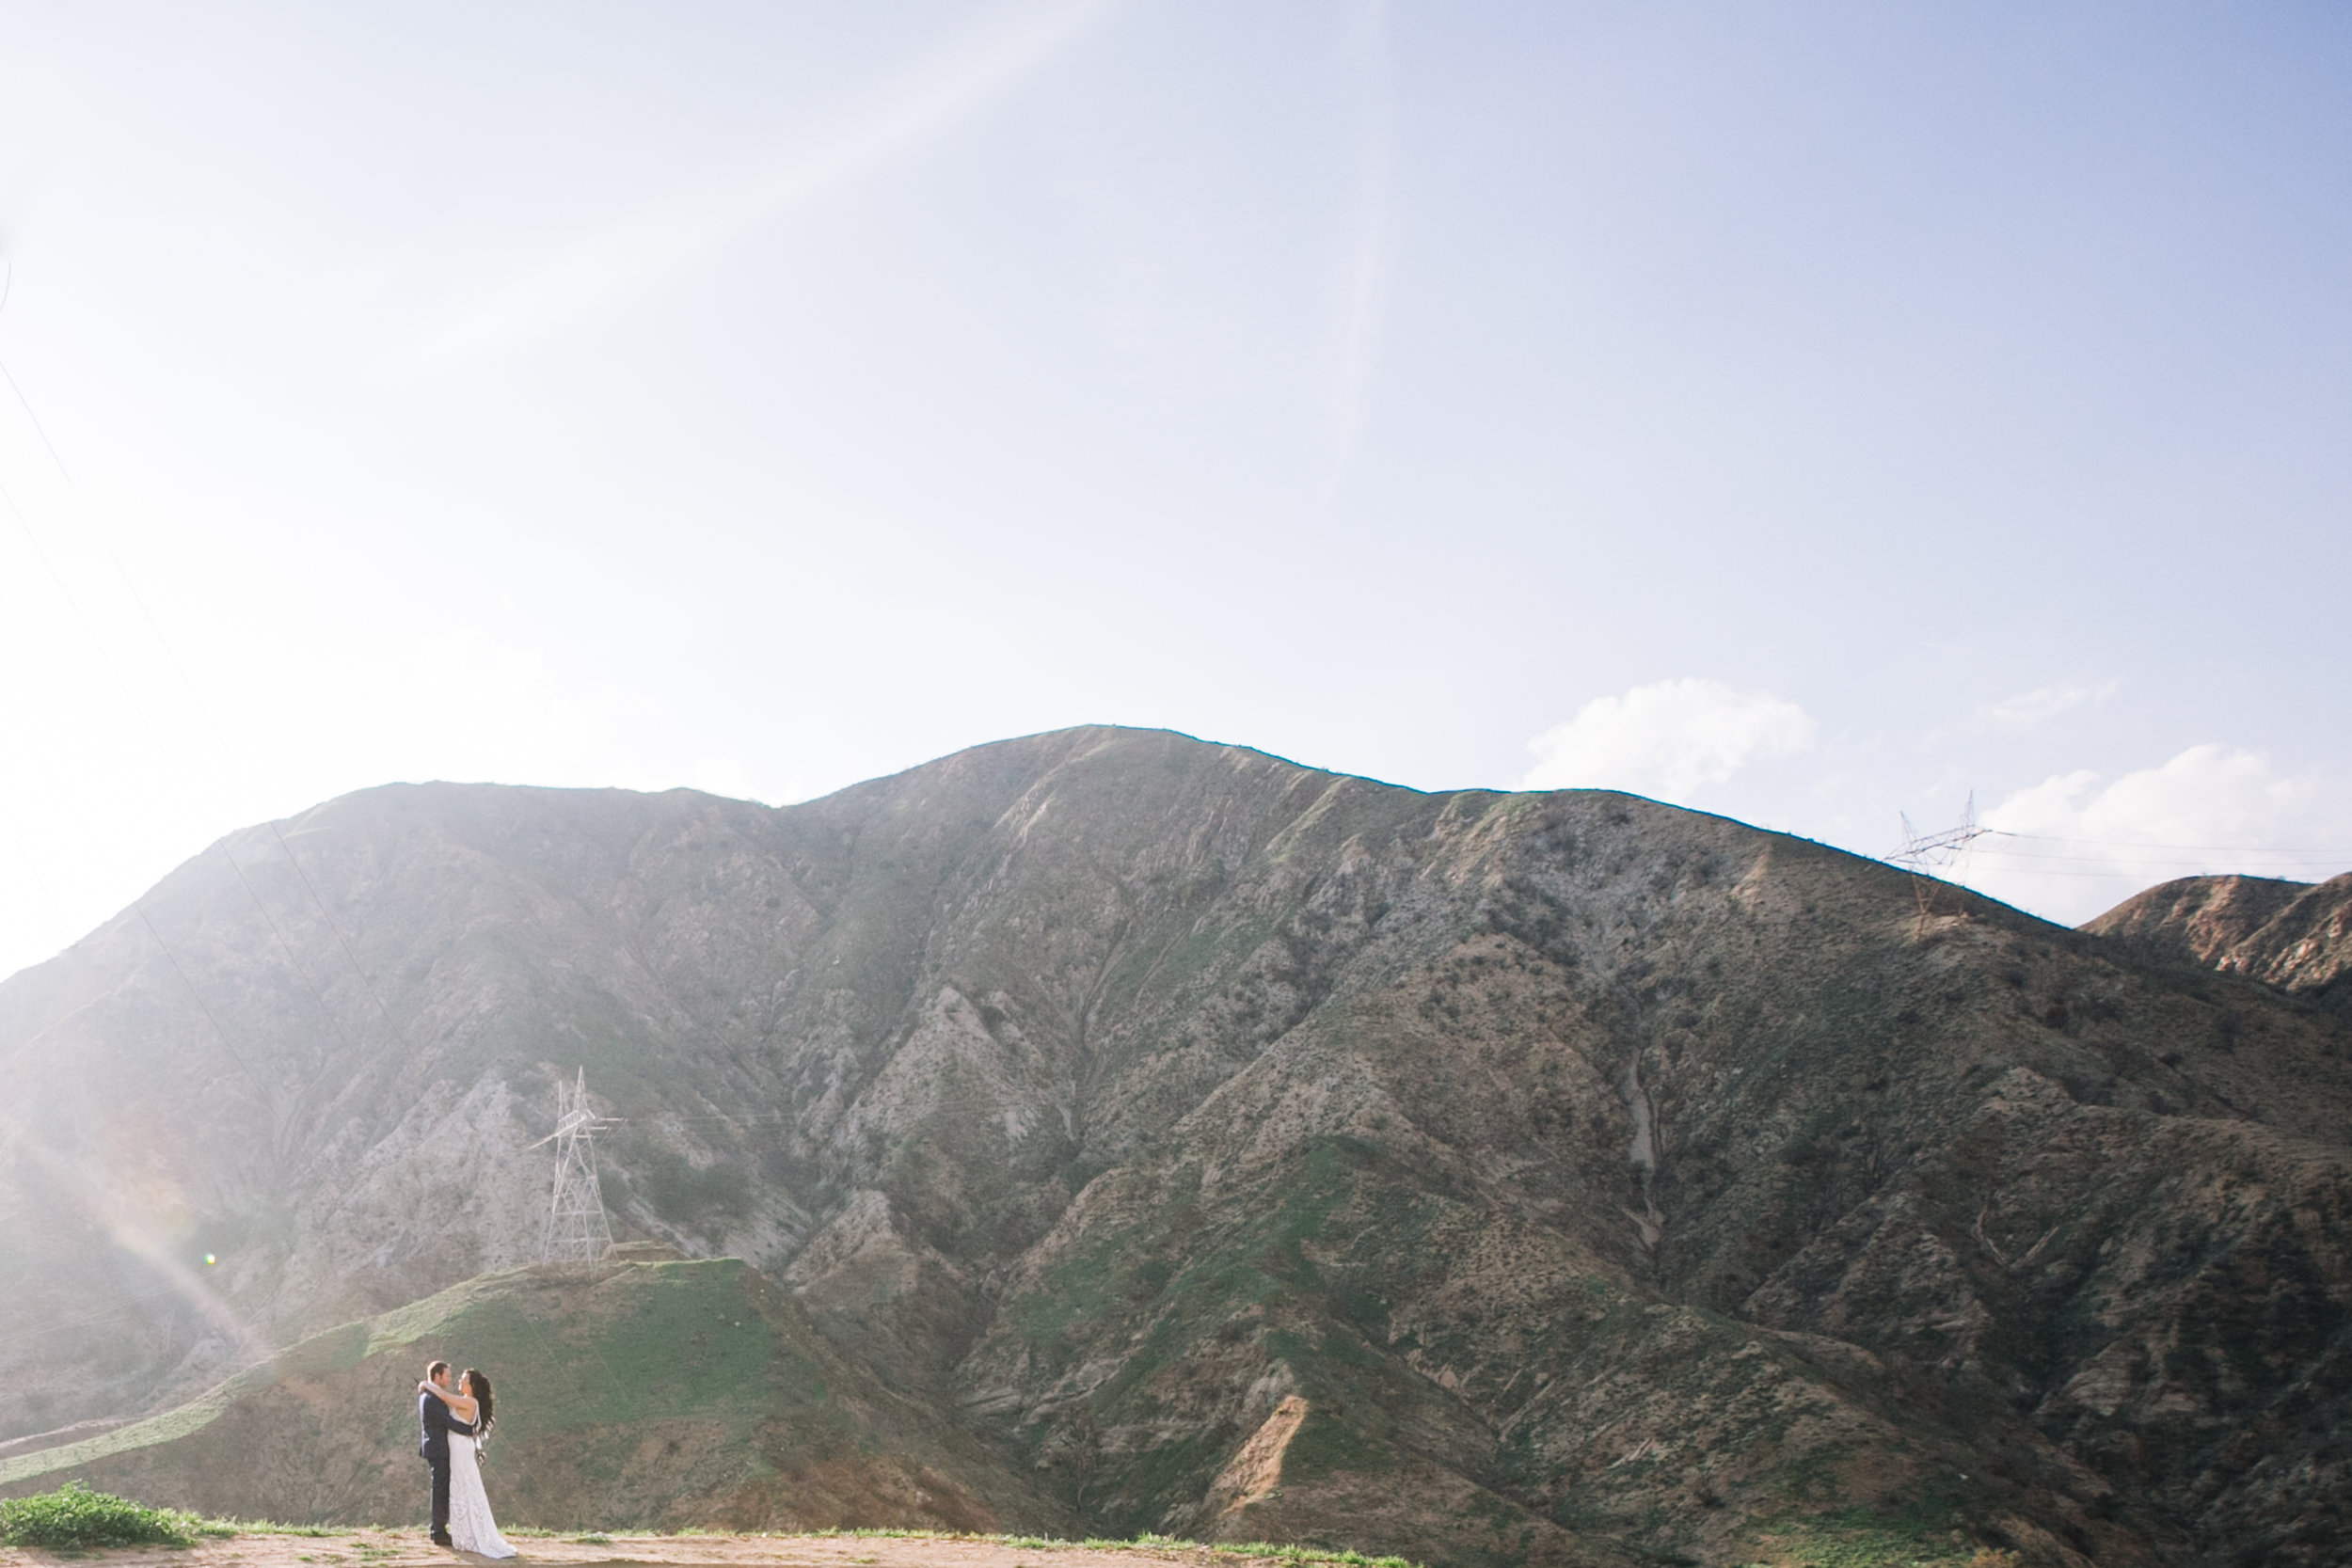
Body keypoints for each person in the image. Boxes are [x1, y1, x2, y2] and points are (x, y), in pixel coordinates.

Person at [417, 1365, 517, 1558]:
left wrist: (425, 1384)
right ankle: (463, 1531)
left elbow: (445, 1398)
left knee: (466, 1485)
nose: (458, 1381)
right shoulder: (464, 1400)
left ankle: (469, 1532)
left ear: (471, 1386)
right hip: (455, 1448)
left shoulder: (470, 1402)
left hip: (461, 1448)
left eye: (464, 1379)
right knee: (459, 1487)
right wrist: (428, 1385)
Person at [416, 1361, 475, 1547]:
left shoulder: (431, 1394)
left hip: (438, 1448)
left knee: (441, 1489)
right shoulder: (431, 1398)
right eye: (447, 1375)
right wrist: (470, 1430)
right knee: (440, 1490)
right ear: (437, 1376)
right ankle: (438, 1531)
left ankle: (439, 1529)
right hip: (438, 1449)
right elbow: (446, 1421)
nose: (450, 1379)